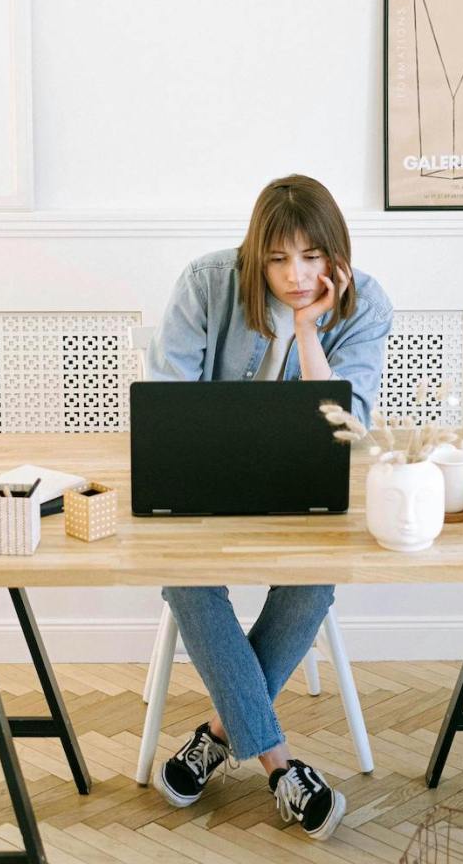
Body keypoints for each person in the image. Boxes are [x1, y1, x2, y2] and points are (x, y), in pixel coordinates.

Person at [146, 175, 393, 840]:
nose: (295, 275)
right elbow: (168, 406)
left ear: (334, 254)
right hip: (204, 487)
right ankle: (281, 767)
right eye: (278, 260)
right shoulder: (205, 283)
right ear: (255, 254)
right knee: (188, 578)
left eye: (312, 257)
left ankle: (220, 734)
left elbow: (344, 429)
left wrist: (310, 331)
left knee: (313, 580)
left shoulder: (364, 304)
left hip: (301, 491)